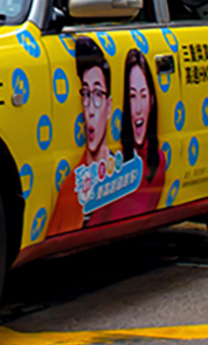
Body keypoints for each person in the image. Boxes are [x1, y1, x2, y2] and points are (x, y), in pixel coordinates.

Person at [46, 36, 115, 236]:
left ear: (109, 106)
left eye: (97, 95)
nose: (90, 110)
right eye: (85, 94)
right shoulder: (69, 191)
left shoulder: (133, 174)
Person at [90, 49, 167, 224]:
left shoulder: (158, 162)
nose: (138, 108)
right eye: (132, 96)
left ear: (152, 101)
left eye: (143, 96)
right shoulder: (112, 165)